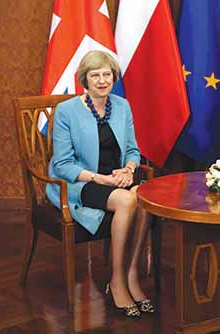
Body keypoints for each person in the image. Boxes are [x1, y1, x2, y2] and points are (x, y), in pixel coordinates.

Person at [46, 50, 154, 317]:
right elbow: (62, 164)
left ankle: (131, 276)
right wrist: (101, 178)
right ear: (85, 78)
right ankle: (116, 280)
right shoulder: (66, 111)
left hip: (115, 177)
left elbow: (132, 149)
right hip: (80, 180)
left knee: (144, 197)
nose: (103, 80)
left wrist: (129, 170)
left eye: (107, 74)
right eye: (96, 75)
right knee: (127, 199)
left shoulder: (122, 106)